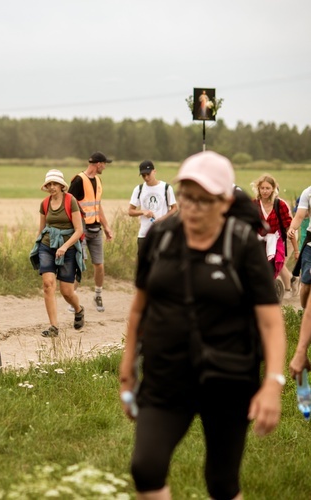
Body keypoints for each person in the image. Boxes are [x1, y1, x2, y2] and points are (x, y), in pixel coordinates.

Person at [119, 151, 286, 500]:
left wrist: (273, 382)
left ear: (225, 201)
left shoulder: (242, 244)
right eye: (186, 197)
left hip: (228, 377)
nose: (192, 208)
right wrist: (127, 368)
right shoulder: (161, 238)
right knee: (145, 467)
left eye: (203, 200)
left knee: (222, 483)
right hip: (166, 375)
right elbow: (139, 309)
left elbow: (270, 322)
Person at [30, 169, 85, 335]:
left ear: (62, 186)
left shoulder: (71, 201)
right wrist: (37, 246)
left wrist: (64, 247)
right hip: (47, 245)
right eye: (49, 184)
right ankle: (54, 327)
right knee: (48, 285)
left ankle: (78, 309)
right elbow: (41, 229)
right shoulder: (44, 204)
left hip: (67, 247)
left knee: (67, 291)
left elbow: (78, 230)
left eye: (55, 184)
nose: (52, 187)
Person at [68, 151, 114, 312]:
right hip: (81, 229)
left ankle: (98, 295)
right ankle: (72, 298)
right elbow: (69, 202)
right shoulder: (79, 180)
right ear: (98, 164)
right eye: (104, 164)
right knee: (80, 264)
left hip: (96, 228)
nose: (105, 167)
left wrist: (106, 226)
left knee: (99, 265)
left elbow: (97, 205)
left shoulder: (99, 181)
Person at [250, 174, 297, 292]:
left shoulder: (279, 204)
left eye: (268, 188)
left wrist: (296, 250)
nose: (265, 191)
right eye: (262, 188)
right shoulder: (254, 204)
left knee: (276, 266)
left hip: (278, 240)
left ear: (273, 189)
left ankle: (284, 291)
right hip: (259, 240)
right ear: (258, 188)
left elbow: (288, 228)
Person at [127, 160, 177, 258]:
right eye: (143, 175)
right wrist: (143, 212)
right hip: (144, 234)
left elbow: (174, 208)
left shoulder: (166, 188)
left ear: (154, 171)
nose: (146, 178)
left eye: (148, 174)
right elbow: (130, 211)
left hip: (161, 232)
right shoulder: (139, 189)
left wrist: (162, 219)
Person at [288, 184, 311, 308]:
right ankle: (303, 313)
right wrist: (292, 228)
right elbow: (299, 216)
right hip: (310, 241)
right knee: (306, 283)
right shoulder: (308, 192)